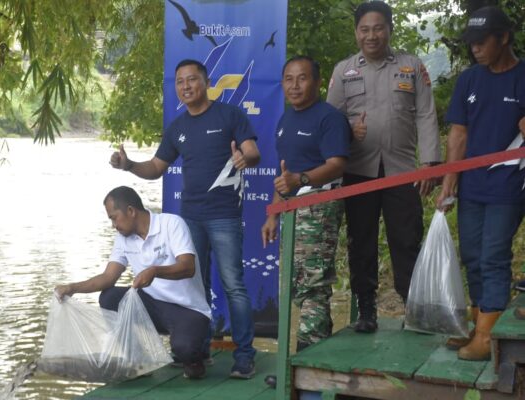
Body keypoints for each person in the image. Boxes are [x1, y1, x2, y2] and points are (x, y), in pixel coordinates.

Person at [109, 59, 260, 378]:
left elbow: (253, 152)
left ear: (206, 82)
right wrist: (129, 165)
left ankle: (245, 355)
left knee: (233, 285)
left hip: (224, 216)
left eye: (192, 80)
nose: (186, 86)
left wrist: (244, 156)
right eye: (180, 81)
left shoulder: (229, 115)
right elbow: (155, 168)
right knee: (196, 284)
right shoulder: (178, 128)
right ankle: (199, 349)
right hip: (190, 217)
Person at [326, 0, 441, 333]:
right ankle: (366, 309)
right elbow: (330, 121)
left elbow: (426, 114)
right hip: (358, 171)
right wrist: (349, 130)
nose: (371, 35)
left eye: (378, 28)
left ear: (389, 29)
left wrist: (430, 163)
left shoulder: (411, 66)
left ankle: (413, 308)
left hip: (403, 169)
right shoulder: (343, 70)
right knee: (360, 241)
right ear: (356, 32)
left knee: (406, 239)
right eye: (365, 29)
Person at [436, 6, 525, 361]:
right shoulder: (469, 79)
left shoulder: (522, 77)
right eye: (470, 42)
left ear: (503, 38)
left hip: (509, 185)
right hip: (471, 186)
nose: (475, 48)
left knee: (492, 256)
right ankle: (478, 324)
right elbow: (458, 133)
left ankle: (489, 338)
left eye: (481, 41)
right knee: (471, 255)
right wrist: (448, 180)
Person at [54, 186, 212, 378]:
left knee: (184, 348)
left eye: (114, 217)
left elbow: (188, 267)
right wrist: (73, 288)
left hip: (187, 309)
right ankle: (139, 361)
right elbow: (107, 277)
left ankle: (195, 361)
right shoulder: (123, 238)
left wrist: (154, 271)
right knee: (109, 297)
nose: (114, 225)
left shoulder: (171, 224)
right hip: (152, 305)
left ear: (131, 211)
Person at [261, 56, 351, 350]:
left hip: (318, 205)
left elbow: (337, 164)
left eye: (302, 78)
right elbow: (283, 173)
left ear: (318, 82)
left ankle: (306, 359)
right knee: (298, 282)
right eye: (289, 78)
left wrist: (301, 180)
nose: (295, 85)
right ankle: (310, 355)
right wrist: (273, 214)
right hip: (290, 209)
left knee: (313, 282)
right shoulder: (286, 118)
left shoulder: (329, 117)